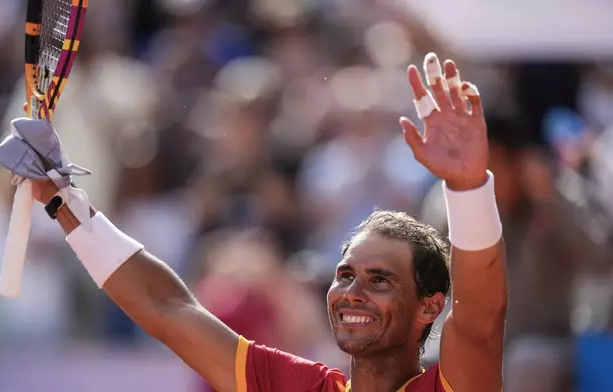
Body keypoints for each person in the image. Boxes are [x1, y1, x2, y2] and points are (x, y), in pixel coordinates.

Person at [28, 53, 507, 392]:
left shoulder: (452, 386)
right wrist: (62, 202)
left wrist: (468, 188)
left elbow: (482, 321)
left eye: (380, 280)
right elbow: (167, 307)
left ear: (430, 307)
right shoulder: (294, 385)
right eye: (345, 275)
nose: (352, 291)